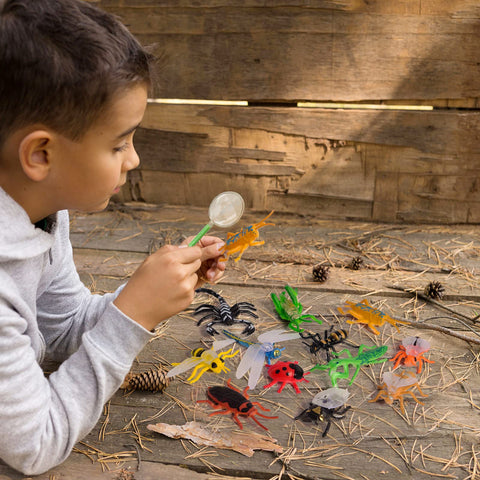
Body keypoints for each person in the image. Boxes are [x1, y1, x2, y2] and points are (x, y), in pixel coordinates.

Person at [0, 0, 226, 474]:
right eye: (119, 143)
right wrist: (133, 316)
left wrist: (147, 296)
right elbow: (35, 446)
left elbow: (60, 328)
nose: (134, 159)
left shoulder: (38, 215)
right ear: (40, 155)